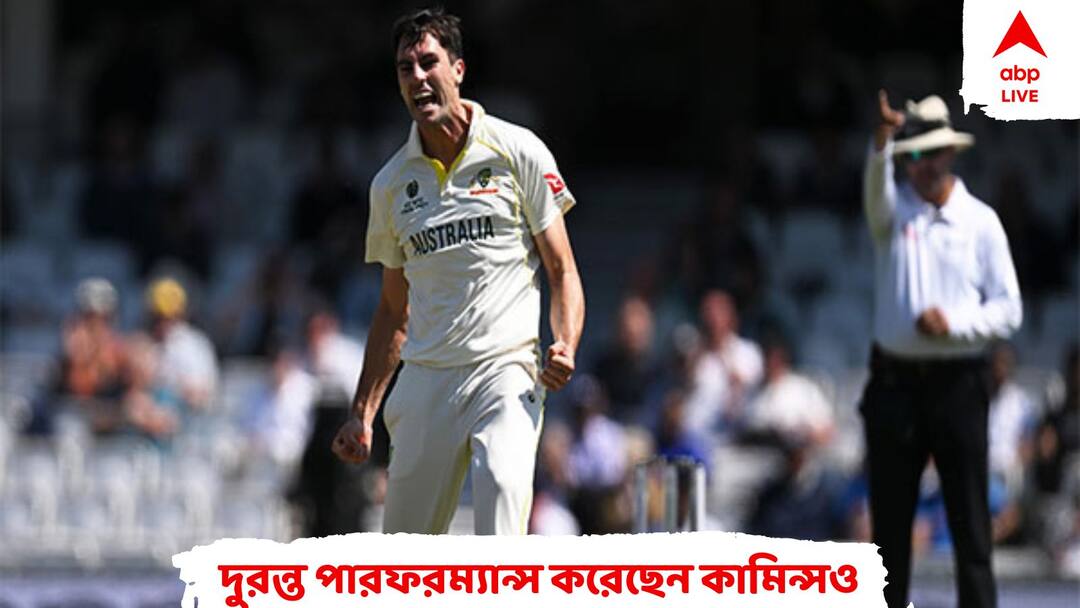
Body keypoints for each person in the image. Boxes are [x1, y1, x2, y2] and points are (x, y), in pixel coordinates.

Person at [331, 8, 584, 536]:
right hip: (427, 378)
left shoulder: (517, 150)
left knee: (502, 494)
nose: (417, 77)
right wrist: (362, 413)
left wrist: (565, 342)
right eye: (405, 68)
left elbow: (561, 268)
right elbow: (393, 310)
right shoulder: (390, 185)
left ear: (459, 70)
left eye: (429, 62)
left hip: (506, 368)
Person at [860, 91, 1022, 608]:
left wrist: (954, 326)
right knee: (888, 533)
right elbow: (875, 192)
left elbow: (1008, 310)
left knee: (971, 528)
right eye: (913, 155)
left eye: (932, 152)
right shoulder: (892, 214)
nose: (923, 165)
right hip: (895, 384)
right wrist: (882, 142)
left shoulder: (980, 221)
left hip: (958, 384)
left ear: (950, 152)